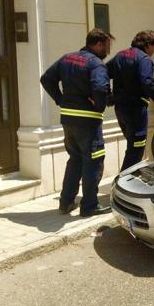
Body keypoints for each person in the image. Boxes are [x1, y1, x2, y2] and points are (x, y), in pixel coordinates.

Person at [40, 29, 113, 217]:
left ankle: (66, 203)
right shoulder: (97, 64)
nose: (108, 51)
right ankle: (89, 207)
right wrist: (99, 106)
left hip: (68, 119)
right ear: (98, 44)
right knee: (93, 162)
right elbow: (99, 87)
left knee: (75, 160)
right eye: (107, 46)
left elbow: (46, 79)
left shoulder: (67, 58)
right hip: (88, 121)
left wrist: (60, 100)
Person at [107, 30, 154, 171]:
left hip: (120, 109)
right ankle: (123, 180)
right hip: (135, 110)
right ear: (147, 45)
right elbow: (147, 81)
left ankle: (131, 176)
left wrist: (108, 96)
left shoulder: (120, 55)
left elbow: (103, 72)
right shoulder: (144, 59)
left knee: (132, 145)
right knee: (136, 148)